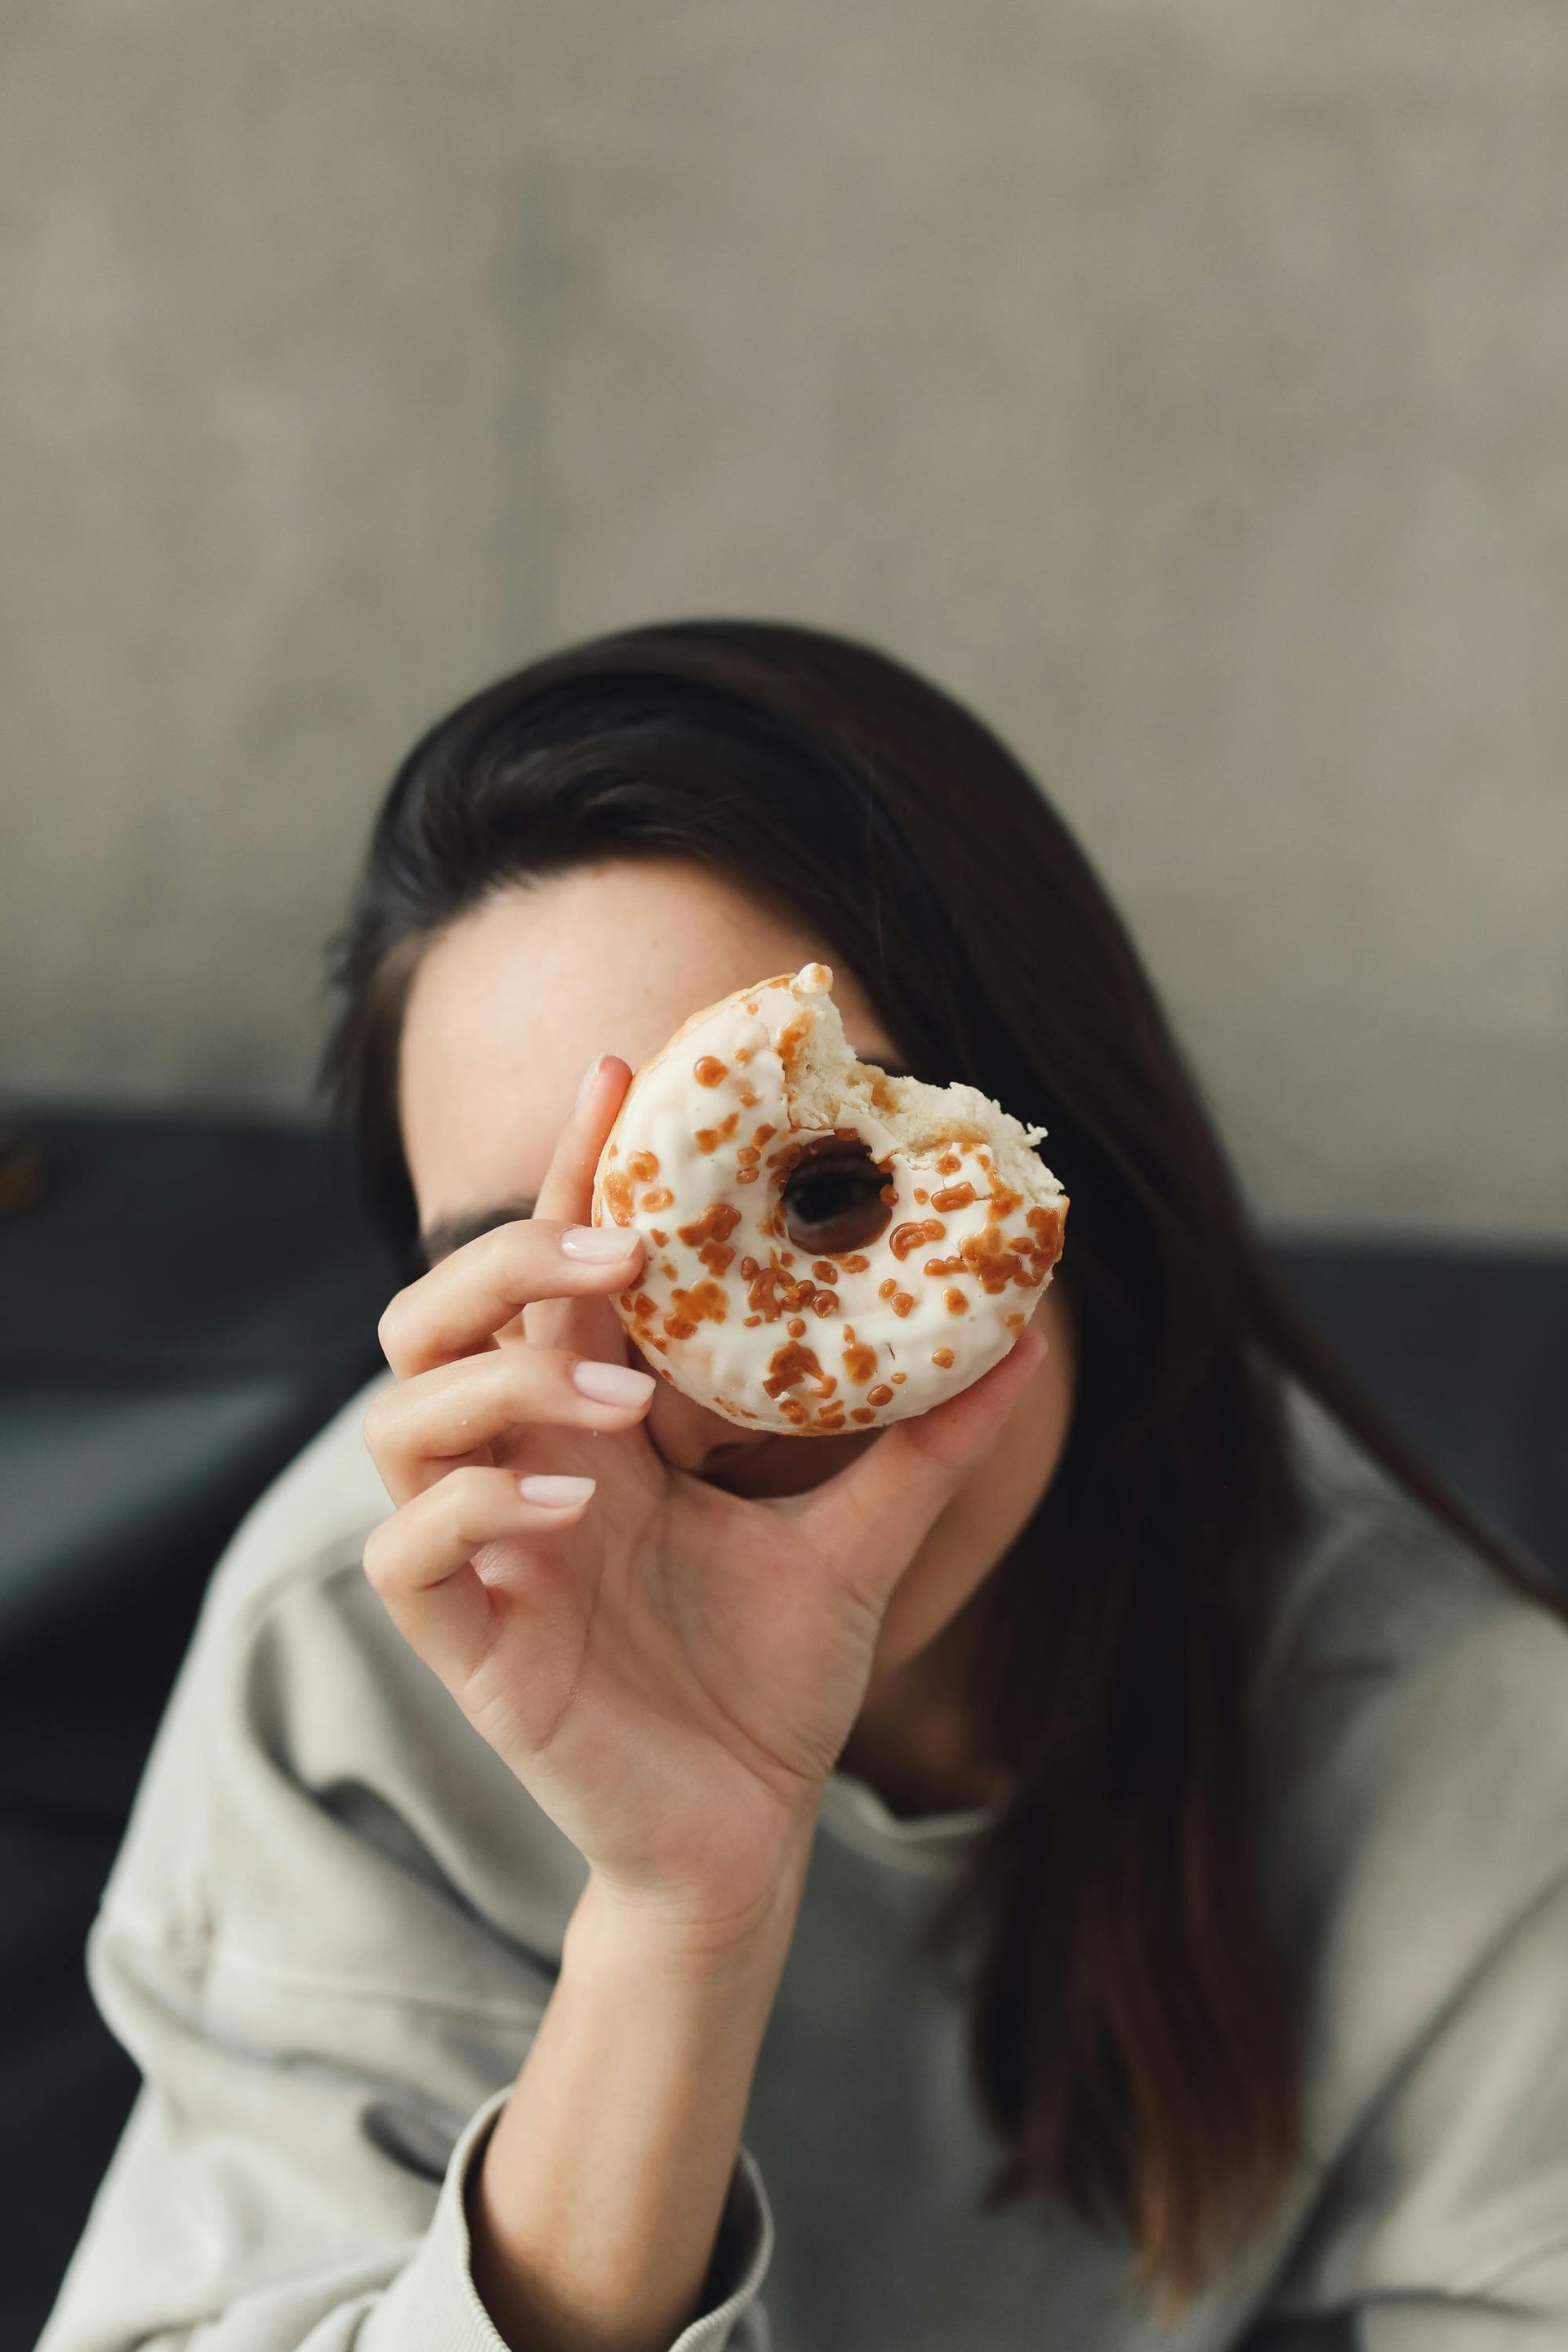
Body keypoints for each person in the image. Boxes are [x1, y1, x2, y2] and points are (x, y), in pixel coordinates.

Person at [38, 621, 1568, 2352]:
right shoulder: (368, 1640)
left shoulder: (1469, 1753)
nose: (700, 1384)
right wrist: (682, 1914)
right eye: (549, 1264)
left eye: (823, 1201)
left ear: (1055, 1180)